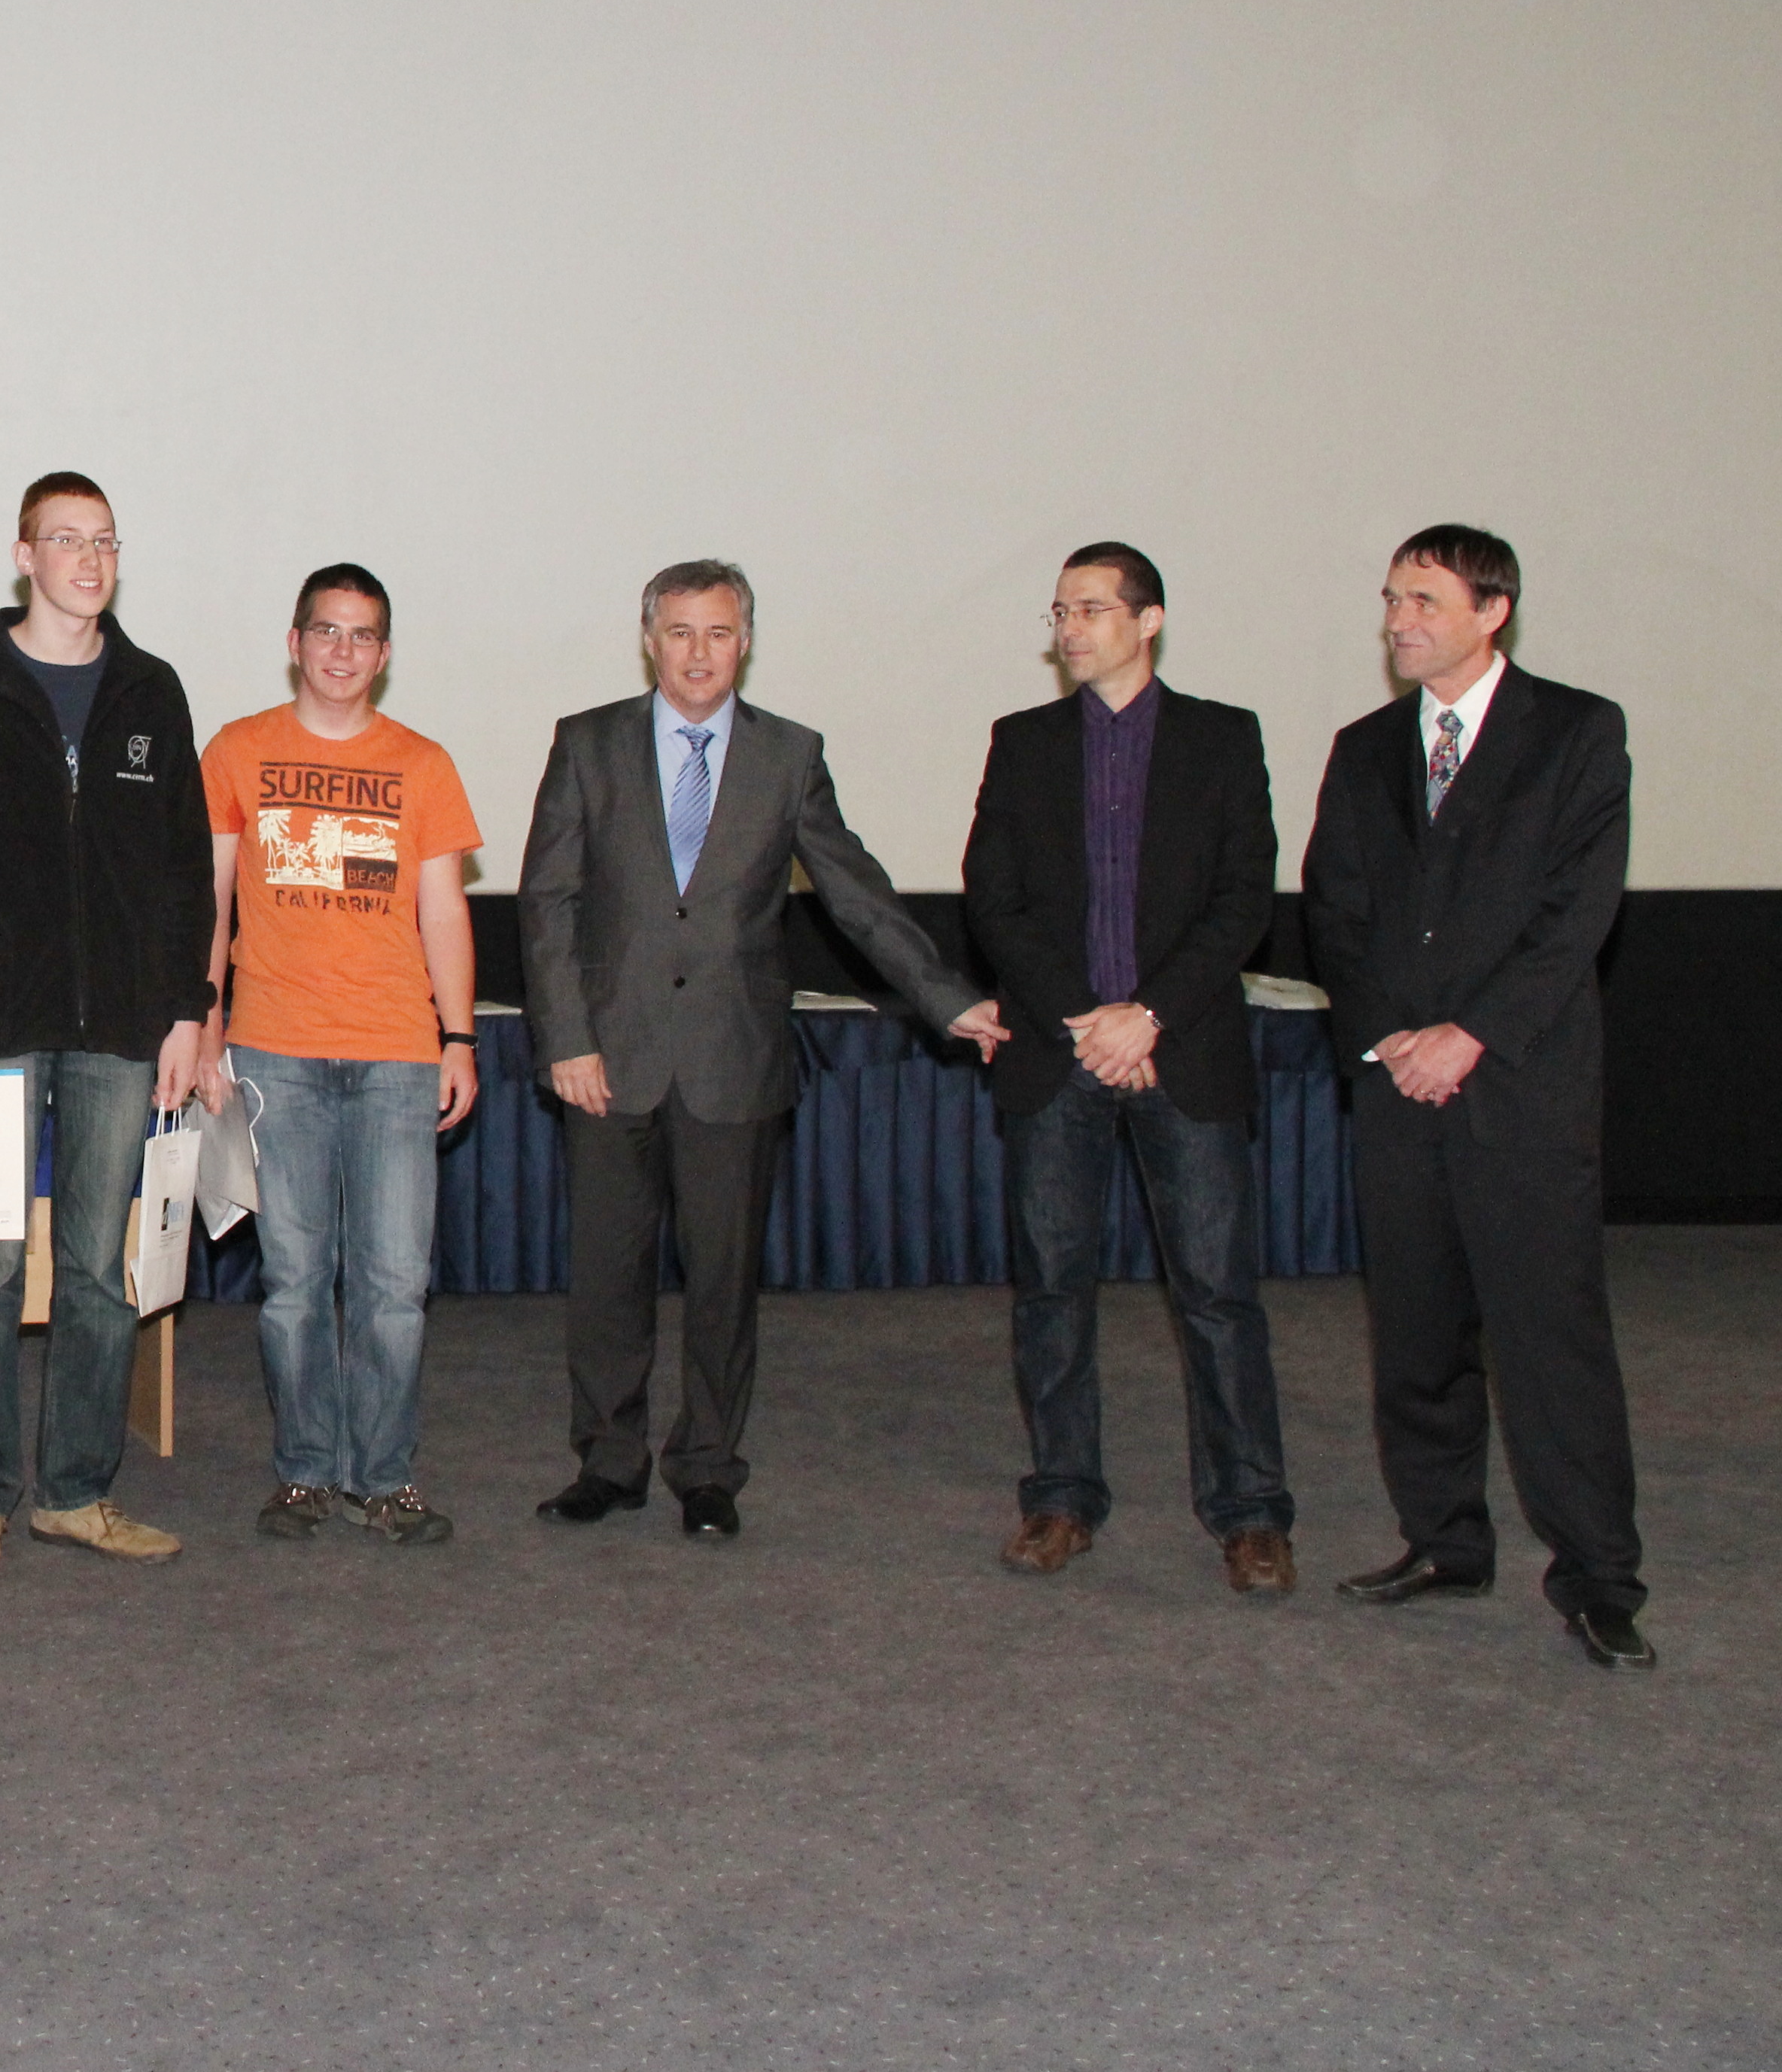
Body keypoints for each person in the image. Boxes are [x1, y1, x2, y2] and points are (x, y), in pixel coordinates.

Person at [521, 560, 1006, 1540]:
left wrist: (945, 997)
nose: (699, 653)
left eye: (719, 633)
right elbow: (547, 900)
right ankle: (608, 1461)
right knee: (607, 1278)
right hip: (608, 1059)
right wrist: (566, 1038)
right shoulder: (588, 742)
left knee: (724, 1281)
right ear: (650, 640)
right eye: (681, 632)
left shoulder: (790, 754)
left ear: (745, 643)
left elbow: (855, 891)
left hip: (733, 1061)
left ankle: (707, 1467)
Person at [1303, 525, 1647, 1669]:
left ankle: (1599, 1579)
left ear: (1492, 610)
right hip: (1399, 1086)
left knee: (1551, 1346)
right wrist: (1390, 1039)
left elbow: (1577, 914)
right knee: (1416, 1337)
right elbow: (1334, 911)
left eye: (1423, 600)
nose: (1398, 620)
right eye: (1392, 598)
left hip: (1522, 1089)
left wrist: (1472, 1035)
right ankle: (1445, 1542)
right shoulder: (1364, 749)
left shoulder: (1577, 732)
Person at [961, 544, 1294, 1591]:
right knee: (1052, 1291)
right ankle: (1061, 1498)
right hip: (1058, 1059)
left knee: (1217, 1294)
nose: (1070, 628)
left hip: (1179, 1053)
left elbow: (1244, 898)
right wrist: (1087, 1022)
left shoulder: (1222, 737)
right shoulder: (1023, 742)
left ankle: (1250, 1512)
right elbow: (993, 898)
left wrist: (1146, 1018)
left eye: (1092, 609)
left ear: (1148, 621)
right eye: (1061, 611)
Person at [0, 474, 214, 1579]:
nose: (89, 560)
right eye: (67, 540)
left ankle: (77, 1493)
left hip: (123, 1029)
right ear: (24, 555)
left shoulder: (151, 689)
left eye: (106, 541)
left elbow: (184, 869)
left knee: (93, 1269)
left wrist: (187, 1012)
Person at [196, 564, 483, 1546]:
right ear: (294, 642)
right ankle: (306, 1472)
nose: (342, 651)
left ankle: (385, 1478)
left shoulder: (424, 764)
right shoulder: (237, 750)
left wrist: (459, 1036)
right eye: (326, 630)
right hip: (273, 1054)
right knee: (292, 1287)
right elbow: (211, 903)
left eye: (362, 636)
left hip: (398, 1057)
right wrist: (205, 1027)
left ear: (385, 655)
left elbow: (443, 912)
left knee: (394, 1287)